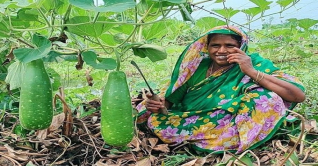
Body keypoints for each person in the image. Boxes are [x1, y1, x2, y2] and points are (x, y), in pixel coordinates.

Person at [135, 25, 305, 154]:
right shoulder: (196, 67)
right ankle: (218, 139)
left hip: (230, 120)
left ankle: (234, 139)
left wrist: (251, 71)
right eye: (215, 45)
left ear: (241, 46)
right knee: (148, 113)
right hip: (194, 118)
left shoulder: (254, 63)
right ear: (207, 47)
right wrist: (158, 104)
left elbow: (297, 95)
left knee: (266, 99)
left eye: (230, 45)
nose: (221, 51)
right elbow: (171, 100)